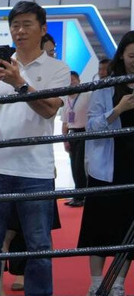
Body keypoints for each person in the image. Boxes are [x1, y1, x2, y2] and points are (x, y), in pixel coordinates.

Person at [0, 1, 70, 296]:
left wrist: (19, 82)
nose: (20, 31)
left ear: (42, 28)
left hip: (35, 169)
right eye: (15, 25)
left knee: (39, 244)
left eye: (26, 24)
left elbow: (49, 110)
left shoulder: (57, 68)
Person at [77, 30, 134, 296]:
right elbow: (91, 127)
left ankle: (119, 286)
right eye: (132, 55)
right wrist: (118, 110)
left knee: (129, 231)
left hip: (132, 170)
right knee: (98, 228)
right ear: (121, 56)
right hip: (106, 168)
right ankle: (97, 285)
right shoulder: (105, 86)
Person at [62, 70, 90, 207]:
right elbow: (64, 123)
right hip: (72, 134)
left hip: (85, 133)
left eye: (73, 79)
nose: (71, 82)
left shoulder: (86, 95)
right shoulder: (66, 100)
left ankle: (83, 196)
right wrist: (65, 140)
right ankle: (77, 195)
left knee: (80, 166)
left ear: (79, 80)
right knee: (73, 166)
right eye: (68, 80)